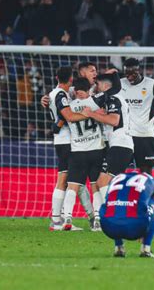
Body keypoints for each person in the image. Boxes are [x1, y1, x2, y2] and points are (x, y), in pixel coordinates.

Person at [48, 66, 95, 231]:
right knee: (65, 180)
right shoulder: (61, 95)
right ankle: (56, 220)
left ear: (56, 77)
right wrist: (88, 115)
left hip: (62, 141)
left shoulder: (53, 93)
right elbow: (67, 115)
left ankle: (63, 218)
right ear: (70, 80)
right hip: (67, 141)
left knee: (74, 181)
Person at [80, 73, 133, 205]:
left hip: (121, 146)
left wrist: (91, 114)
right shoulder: (113, 100)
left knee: (102, 182)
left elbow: (114, 121)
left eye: (97, 85)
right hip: (118, 146)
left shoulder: (113, 98)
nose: (96, 87)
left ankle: (112, 212)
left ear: (105, 85)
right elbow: (107, 115)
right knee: (105, 183)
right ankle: (108, 213)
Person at [61, 78, 106, 231]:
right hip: (96, 151)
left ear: (75, 91)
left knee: (73, 186)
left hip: (78, 152)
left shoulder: (70, 107)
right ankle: (98, 220)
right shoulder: (94, 103)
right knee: (95, 186)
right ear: (88, 90)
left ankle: (67, 217)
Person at [100, 170, 154, 258]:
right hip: (136, 227)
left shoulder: (116, 178)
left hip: (108, 228)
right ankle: (146, 249)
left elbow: (107, 202)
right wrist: (152, 227)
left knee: (114, 206)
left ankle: (119, 247)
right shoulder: (151, 179)